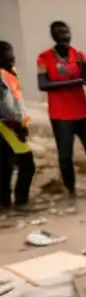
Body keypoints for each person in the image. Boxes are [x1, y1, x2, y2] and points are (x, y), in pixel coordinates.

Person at [38, 21, 86, 201]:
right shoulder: (44, 58)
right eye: (59, 32)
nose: (64, 35)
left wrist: (83, 70)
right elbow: (43, 84)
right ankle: (72, 193)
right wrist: (74, 82)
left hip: (81, 112)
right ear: (53, 35)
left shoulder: (79, 55)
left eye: (66, 31)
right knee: (65, 156)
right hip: (60, 115)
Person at [0, 42, 35, 214]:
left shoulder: (9, 74)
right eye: (7, 53)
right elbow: (5, 105)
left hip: (13, 125)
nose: (12, 56)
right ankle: (17, 202)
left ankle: (8, 203)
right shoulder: (1, 77)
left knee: (7, 166)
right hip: (7, 126)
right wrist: (17, 125)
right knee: (25, 164)